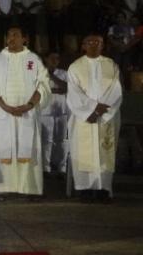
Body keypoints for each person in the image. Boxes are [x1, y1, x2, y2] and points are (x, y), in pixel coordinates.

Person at [0, 25, 51, 199]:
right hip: (3, 113)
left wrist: (29, 105)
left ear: (24, 39)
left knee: (27, 147)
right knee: (4, 148)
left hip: (27, 113)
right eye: (9, 35)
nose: (11, 38)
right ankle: (3, 189)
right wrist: (4, 106)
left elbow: (43, 85)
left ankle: (29, 188)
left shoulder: (33, 60)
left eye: (16, 35)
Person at [67, 34, 122, 203]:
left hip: (106, 117)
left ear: (102, 46)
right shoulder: (75, 67)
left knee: (105, 150)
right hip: (84, 118)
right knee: (82, 152)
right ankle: (85, 189)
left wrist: (98, 112)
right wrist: (90, 110)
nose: (94, 45)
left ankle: (103, 189)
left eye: (98, 42)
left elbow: (116, 90)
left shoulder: (111, 65)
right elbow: (74, 93)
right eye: (90, 42)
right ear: (83, 45)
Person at [40, 51, 69, 176]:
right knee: (47, 140)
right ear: (46, 58)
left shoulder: (63, 73)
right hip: (45, 111)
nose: (55, 61)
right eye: (52, 58)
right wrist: (56, 90)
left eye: (57, 58)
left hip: (61, 110)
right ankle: (46, 167)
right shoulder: (40, 72)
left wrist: (52, 77)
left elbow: (66, 88)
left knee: (61, 140)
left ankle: (62, 167)